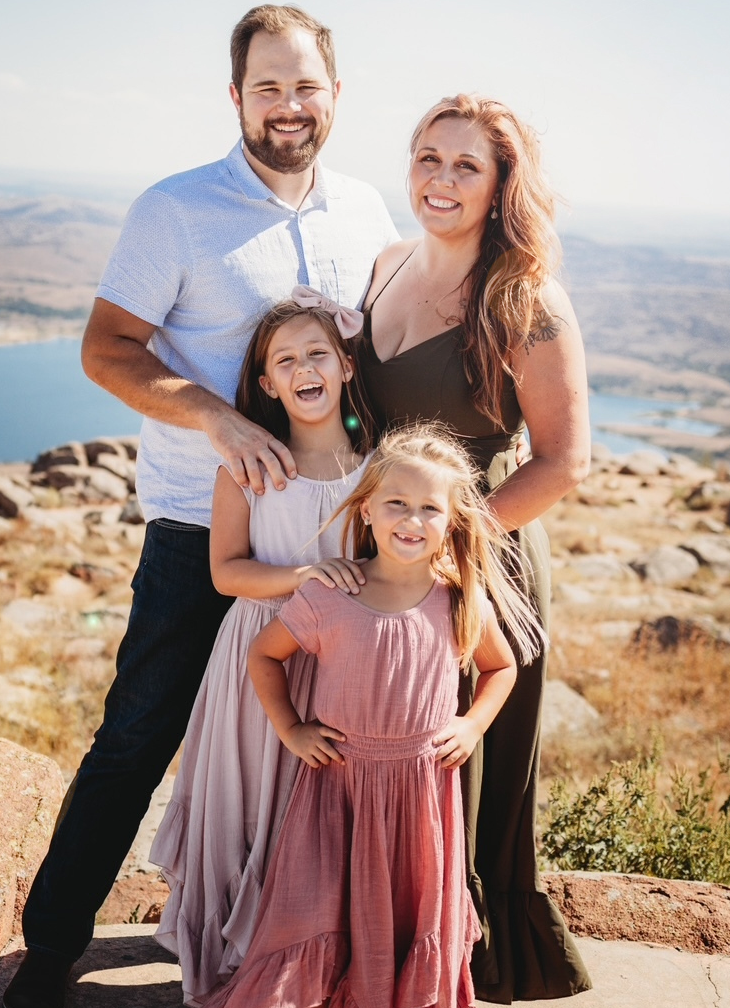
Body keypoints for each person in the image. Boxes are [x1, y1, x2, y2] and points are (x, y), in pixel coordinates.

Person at [3, 5, 398, 1008]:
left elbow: (383, 368)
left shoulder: (366, 213)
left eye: (305, 85)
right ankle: (50, 952)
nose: (288, 105)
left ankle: (291, 944)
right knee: (138, 733)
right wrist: (220, 420)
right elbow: (107, 350)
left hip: (328, 537)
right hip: (198, 528)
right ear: (235, 98)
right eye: (266, 86)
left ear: (336, 95)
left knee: (320, 746)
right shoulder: (175, 210)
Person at [357, 94, 594, 1001]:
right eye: (428, 157)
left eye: (466, 166)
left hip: (480, 564)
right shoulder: (384, 265)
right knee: (388, 757)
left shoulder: (524, 296)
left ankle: (464, 962)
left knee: (463, 770)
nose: (440, 179)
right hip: (391, 559)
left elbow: (565, 460)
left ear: (500, 187)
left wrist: (455, 545)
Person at [205, 425, 539, 1008]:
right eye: (397, 504)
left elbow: (501, 668)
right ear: (367, 507)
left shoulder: (459, 597)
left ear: (453, 521)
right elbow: (264, 654)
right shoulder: (333, 593)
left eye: (429, 509)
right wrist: (291, 728)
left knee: (411, 913)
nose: (411, 520)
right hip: (338, 788)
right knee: (320, 908)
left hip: (421, 795)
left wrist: (472, 724)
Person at [148, 294, 375, 1006]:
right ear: (267, 383)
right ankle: (227, 954)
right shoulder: (248, 468)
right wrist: (302, 577)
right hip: (255, 655)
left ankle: (301, 956)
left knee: (311, 807)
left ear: (344, 365)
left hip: (334, 662)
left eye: (316, 354)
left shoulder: (375, 468)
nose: (303, 368)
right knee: (247, 804)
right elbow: (227, 571)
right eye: (285, 361)